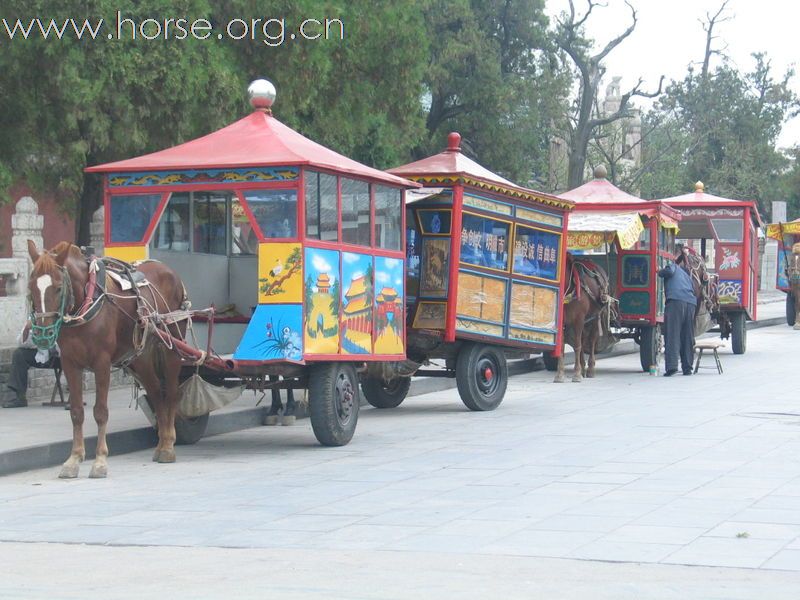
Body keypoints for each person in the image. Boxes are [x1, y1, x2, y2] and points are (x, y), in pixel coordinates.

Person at [2, 323, 59, 408]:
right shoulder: (33, 320)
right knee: (19, 354)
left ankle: (74, 398)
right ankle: (20, 397)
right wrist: (27, 330)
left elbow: (55, 344)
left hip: (58, 356)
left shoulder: (57, 319)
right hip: (40, 355)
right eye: (36, 309)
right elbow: (22, 344)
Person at [658, 252, 697, 376]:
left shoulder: (673, 266)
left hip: (675, 302)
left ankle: (672, 366)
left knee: (672, 333)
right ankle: (687, 367)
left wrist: (658, 271)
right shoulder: (686, 275)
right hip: (690, 303)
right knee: (687, 336)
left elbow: (668, 272)